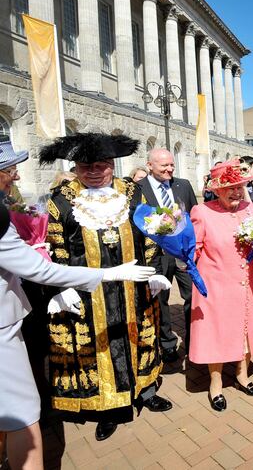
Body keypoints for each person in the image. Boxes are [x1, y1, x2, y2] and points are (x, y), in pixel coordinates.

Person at [0, 200, 156, 470]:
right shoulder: (58, 202)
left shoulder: (129, 194)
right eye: (7, 170)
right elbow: (43, 269)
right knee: (21, 417)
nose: (13, 175)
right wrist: (108, 274)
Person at [39, 133, 173, 441]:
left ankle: (146, 391)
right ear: (75, 167)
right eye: (86, 166)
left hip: (134, 288)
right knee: (100, 347)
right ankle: (108, 411)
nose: (95, 172)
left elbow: (150, 232)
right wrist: (61, 287)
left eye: (101, 165)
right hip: (88, 295)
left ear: (112, 165)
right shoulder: (61, 201)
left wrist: (153, 272)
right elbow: (55, 246)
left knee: (141, 338)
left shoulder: (132, 193)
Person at [189, 159, 253, 411]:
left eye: (239, 186)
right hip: (216, 286)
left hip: (247, 283)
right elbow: (194, 250)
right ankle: (216, 383)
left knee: (246, 330)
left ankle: (242, 375)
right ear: (216, 189)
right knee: (218, 334)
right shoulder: (202, 212)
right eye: (229, 187)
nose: (236, 192)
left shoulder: (252, 209)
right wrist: (184, 259)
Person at [138, 148, 198, 364]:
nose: (170, 169)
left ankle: (195, 342)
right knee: (160, 301)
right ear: (150, 165)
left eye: (172, 165)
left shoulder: (183, 185)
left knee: (193, 296)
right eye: (164, 166)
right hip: (156, 257)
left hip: (183, 254)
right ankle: (167, 344)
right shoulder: (138, 189)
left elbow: (195, 215)